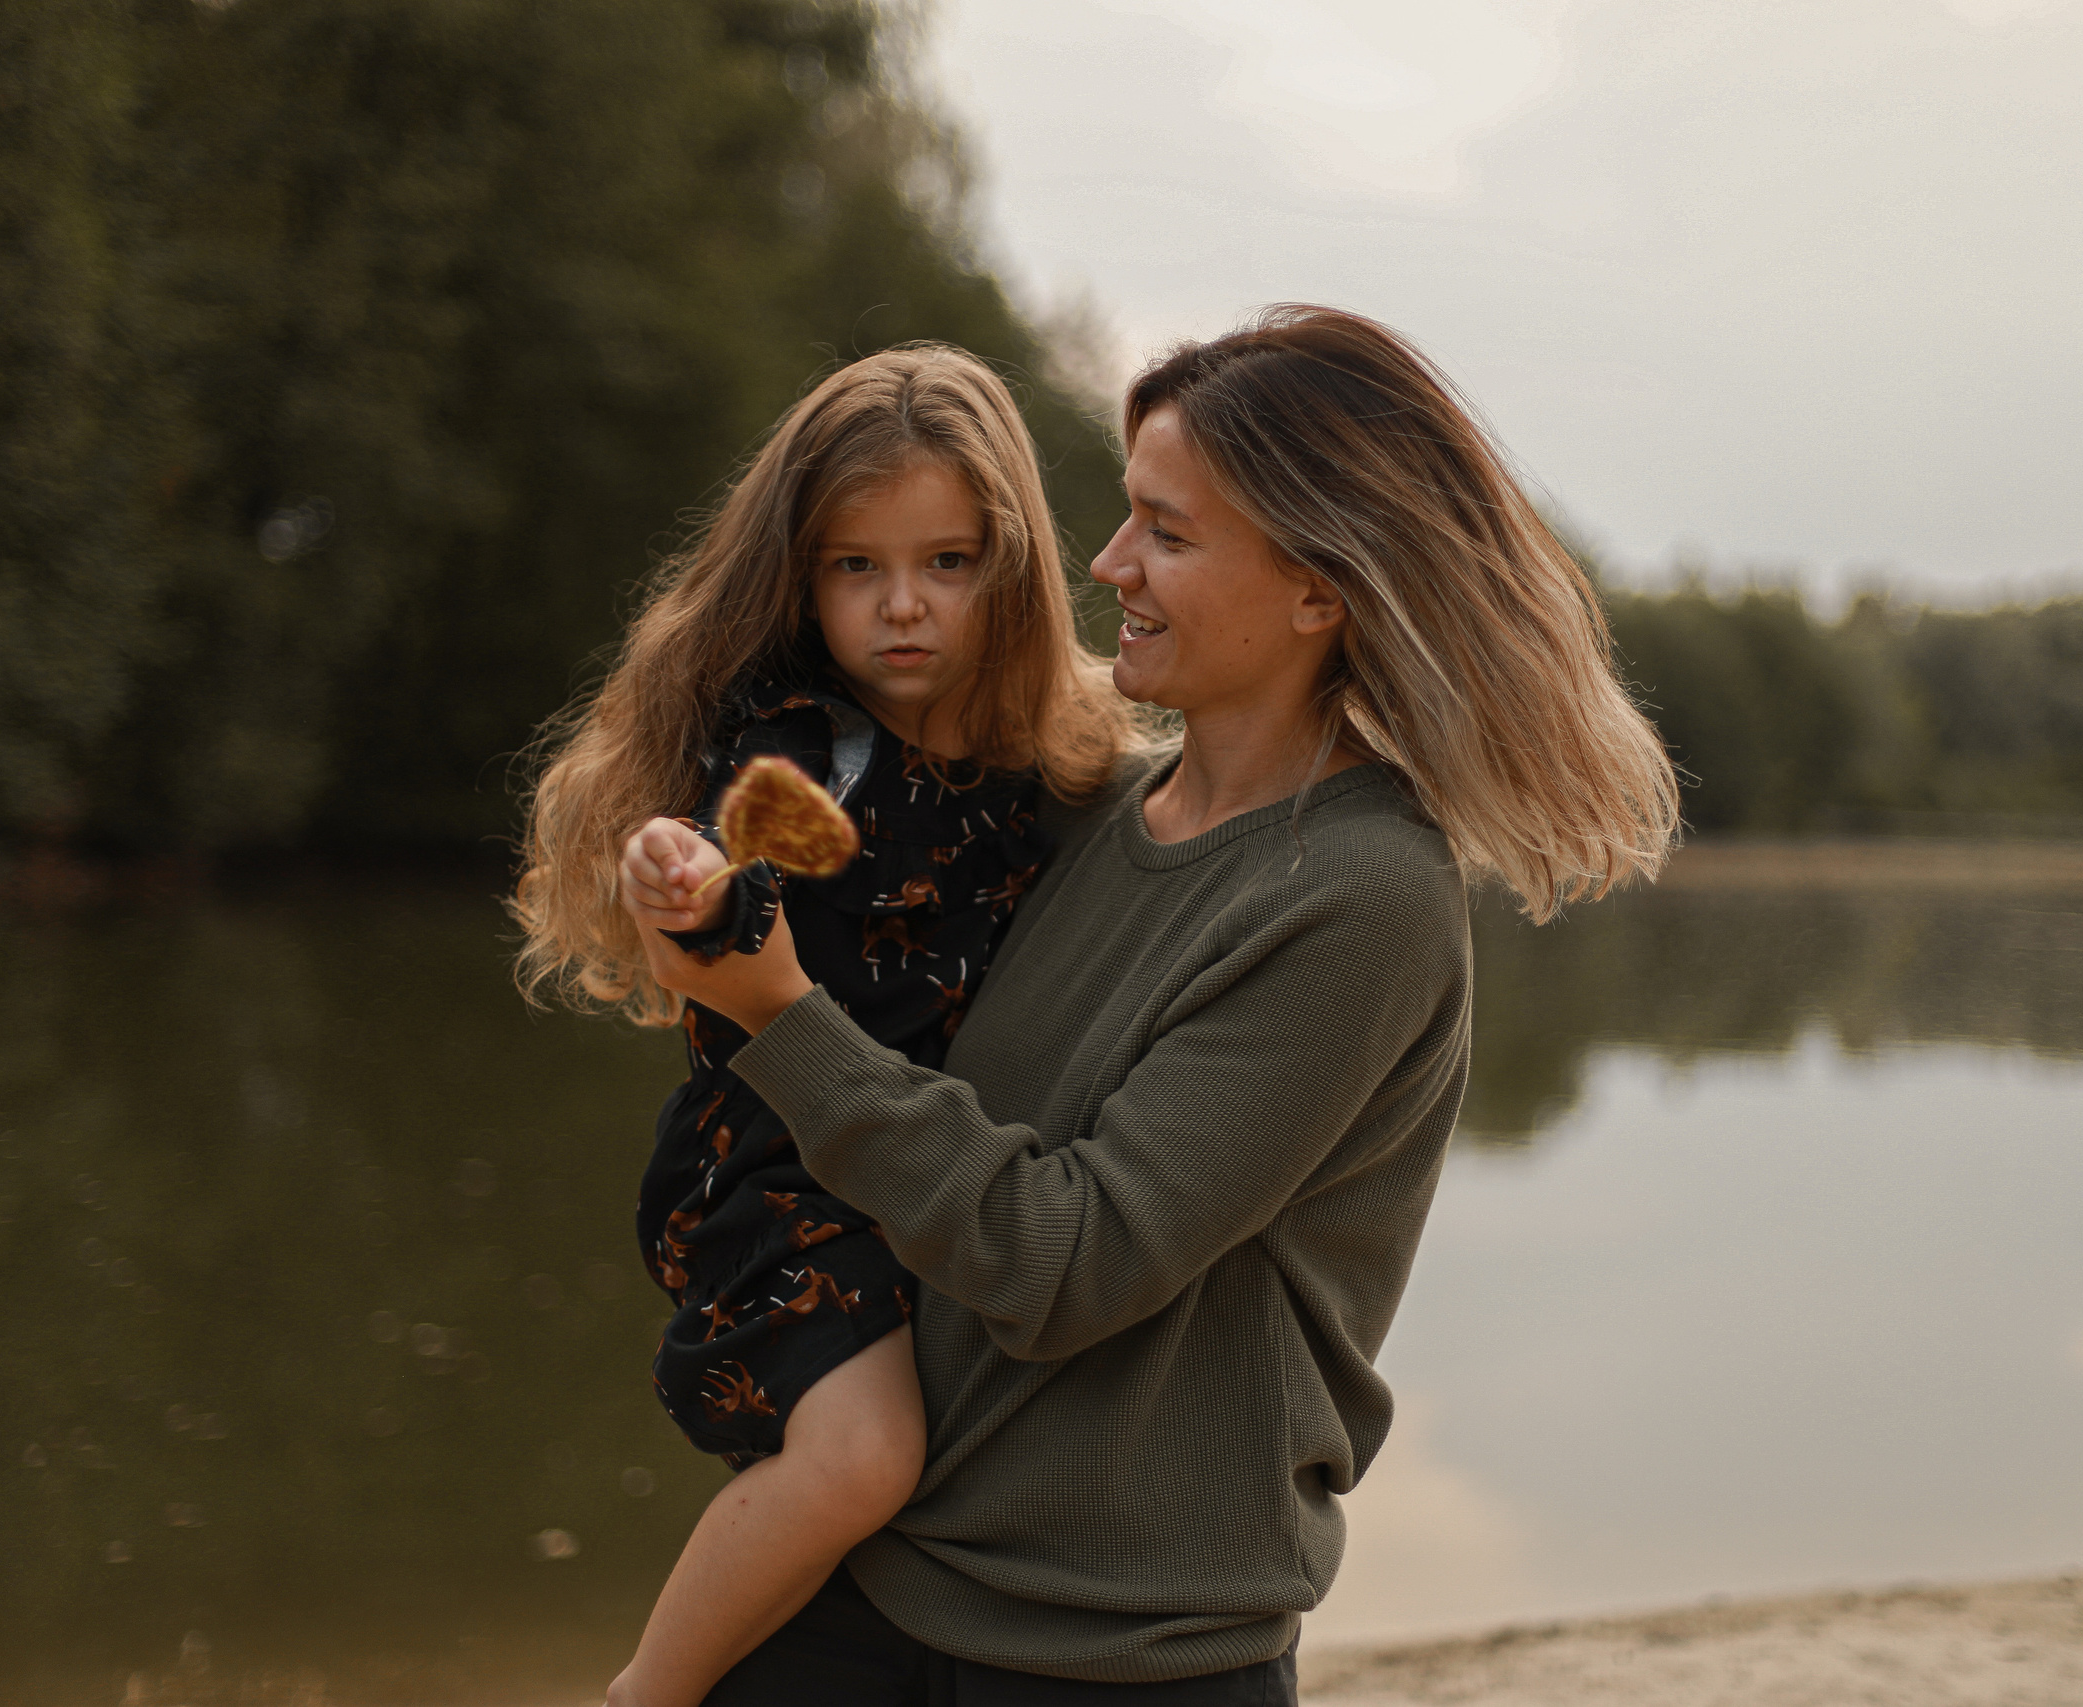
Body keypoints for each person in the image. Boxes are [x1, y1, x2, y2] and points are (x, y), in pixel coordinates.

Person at [625, 305, 1681, 1706]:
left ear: (1320, 588)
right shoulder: (1081, 813)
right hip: (867, 1588)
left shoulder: (1362, 893)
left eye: (1168, 535)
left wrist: (782, 1017)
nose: (1107, 563)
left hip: (1116, 1661)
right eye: (1127, 517)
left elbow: (1068, 1267)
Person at [510, 346, 1129, 1707]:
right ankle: (647, 1692)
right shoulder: (799, 744)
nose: (902, 606)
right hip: (784, 1169)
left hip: (936, 1163)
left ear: (1010, 568)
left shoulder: (1041, 751)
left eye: (948, 563)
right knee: (861, 1462)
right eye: (857, 567)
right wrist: (689, 881)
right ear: (801, 575)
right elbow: (736, 867)